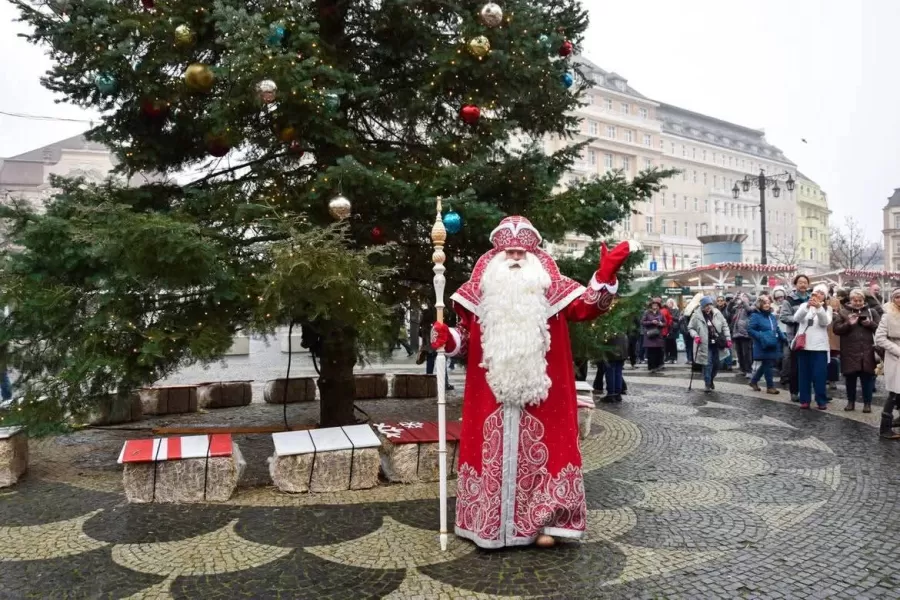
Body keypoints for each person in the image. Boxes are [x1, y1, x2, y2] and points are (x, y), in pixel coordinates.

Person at [429, 216, 637, 548]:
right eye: (508, 252)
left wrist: (605, 276)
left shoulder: (554, 290)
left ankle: (547, 522)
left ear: (534, 256)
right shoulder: (475, 294)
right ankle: (488, 523)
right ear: (496, 256)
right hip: (490, 398)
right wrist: (447, 337)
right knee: (490, 454)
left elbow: (589, 307)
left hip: (545, 398)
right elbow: (465, 340)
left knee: (546, 455)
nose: (514, 258)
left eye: (521, 253)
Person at [833, 288, 880, 412]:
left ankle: (867, 403)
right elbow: (836, 329)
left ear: (864, 300)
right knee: (850, 379)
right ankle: (850, 402)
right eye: (855, 300)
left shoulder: (871, 312)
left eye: (860, 300)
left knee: (867, 379)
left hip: (867, 351)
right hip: (849, 351)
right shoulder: (843, 312)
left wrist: (870, 324)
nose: (858, 302)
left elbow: (880, 329)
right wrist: (848, 323)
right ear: (851, 300)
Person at [792, 283, 833, 410]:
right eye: (816, 293)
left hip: (820, 347)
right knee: (804, 375)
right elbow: (796, 319)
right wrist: (807, 307)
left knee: (819, 375)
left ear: (825, 297)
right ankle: (805, 400)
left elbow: (825, 322)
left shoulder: (827, 308)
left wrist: (819, 308)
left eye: (822, 294)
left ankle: (821, 400)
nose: (818, 295)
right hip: (804, 346)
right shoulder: (804, 305)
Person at [689, 296, 732, 393]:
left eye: (709, 305)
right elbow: (690, 328)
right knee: (707, 364)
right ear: (702, 306)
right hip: (704, 344)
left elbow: (725, 325)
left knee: (718, 364)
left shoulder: (717, 313)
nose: (708, 307)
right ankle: (707, 383)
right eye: (706, 305)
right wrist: (695, 335)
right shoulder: (696, 315)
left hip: (717, 343)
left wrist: (728, 338)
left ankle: (711, 379)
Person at [780, 274, 811, 401]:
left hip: (811, 336)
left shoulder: (812, 298)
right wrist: (798, 319)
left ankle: (808, 390)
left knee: (809, 366)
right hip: (796, 336)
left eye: (805, 282)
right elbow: (784, 317)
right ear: (795, 284)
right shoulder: (789, 300)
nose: (803, 284)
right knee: (796, 366)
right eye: (800, 282)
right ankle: (794, 391)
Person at [875, 288, 900, 439]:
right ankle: (885, 428)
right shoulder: (888, 316)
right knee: (893, 392)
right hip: (896, 358)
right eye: (897, 297)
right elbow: (879, 338)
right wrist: (897, 350)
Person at [748, 295, 786, 394]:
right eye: (764, 303)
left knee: (767, 364)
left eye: (768, 303)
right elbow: (750, 329)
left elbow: (776, 328)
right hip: (762, 344)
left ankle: (754, 381)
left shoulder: (772, 316)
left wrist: (783, 337)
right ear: (759, 304)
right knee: (768, 364)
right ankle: (770, 387)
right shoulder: (755, 316)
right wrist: (760, 336)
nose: (767, 305)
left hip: (772, 343)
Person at [729, 293, 754, 378]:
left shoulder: (752, 306)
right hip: (737, 332)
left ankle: (749, 370)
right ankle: (742, 369)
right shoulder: (737, 308)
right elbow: (729, 309)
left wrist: (743, 301)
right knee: (739, 353)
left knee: (746, 353)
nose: (742, 298)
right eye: (742, 296)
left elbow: (749, 310)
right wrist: (733, 300)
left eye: (745, 296)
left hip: (745, 333)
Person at [601, 332, 629, 403]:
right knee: (618, 372)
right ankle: (617, 394)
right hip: (622, 347)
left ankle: (611, 394)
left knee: (610, 372)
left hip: (612, 348)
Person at [641, 299, 667, 373]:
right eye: (653, 305)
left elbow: (665, 323)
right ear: (651, 306)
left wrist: (661, 324)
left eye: (656, 305)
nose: (655, 306)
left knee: (658, 351)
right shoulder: (647, 313)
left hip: (658, 335)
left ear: (658, 306)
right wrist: (651, 322)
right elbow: (642, 322)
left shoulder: (660, 313)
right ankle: (651, 367)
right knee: (651, 352)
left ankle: (657, 366)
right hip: (650, 335)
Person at [682, 292, 704, 364]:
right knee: (694, 346)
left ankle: (689, 359)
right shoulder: (698, 307)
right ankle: (694, 360)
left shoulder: (688, 308)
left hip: (687, 329)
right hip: (695, 329)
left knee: (689, 345)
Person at [664, 298, 681, 363]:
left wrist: (670, 317)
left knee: (673, 344)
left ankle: (674, 358)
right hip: (666, 329)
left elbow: (677, 318)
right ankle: (667, 358)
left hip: (673, 329)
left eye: (671, 303)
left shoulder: (676, 310)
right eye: (668, 303)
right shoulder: (665, 310)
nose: (669, 304)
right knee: (667, 344)